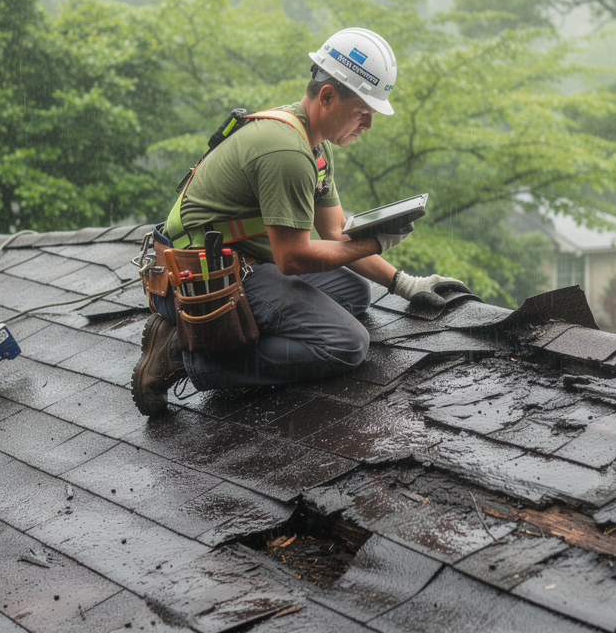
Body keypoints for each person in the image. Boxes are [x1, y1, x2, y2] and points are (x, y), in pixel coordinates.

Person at [131, 27, 470, 415]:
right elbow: (293, 258)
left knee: (355, 293)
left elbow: (334, 233)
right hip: (196, 282)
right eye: (362, 113)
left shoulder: (315, 144)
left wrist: (404, 284)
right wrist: (376, 243)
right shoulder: (286, 151)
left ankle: (230, 333)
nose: (368, 126)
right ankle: (183, 355)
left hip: (238, 262)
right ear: (327, 96)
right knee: (346, 344)